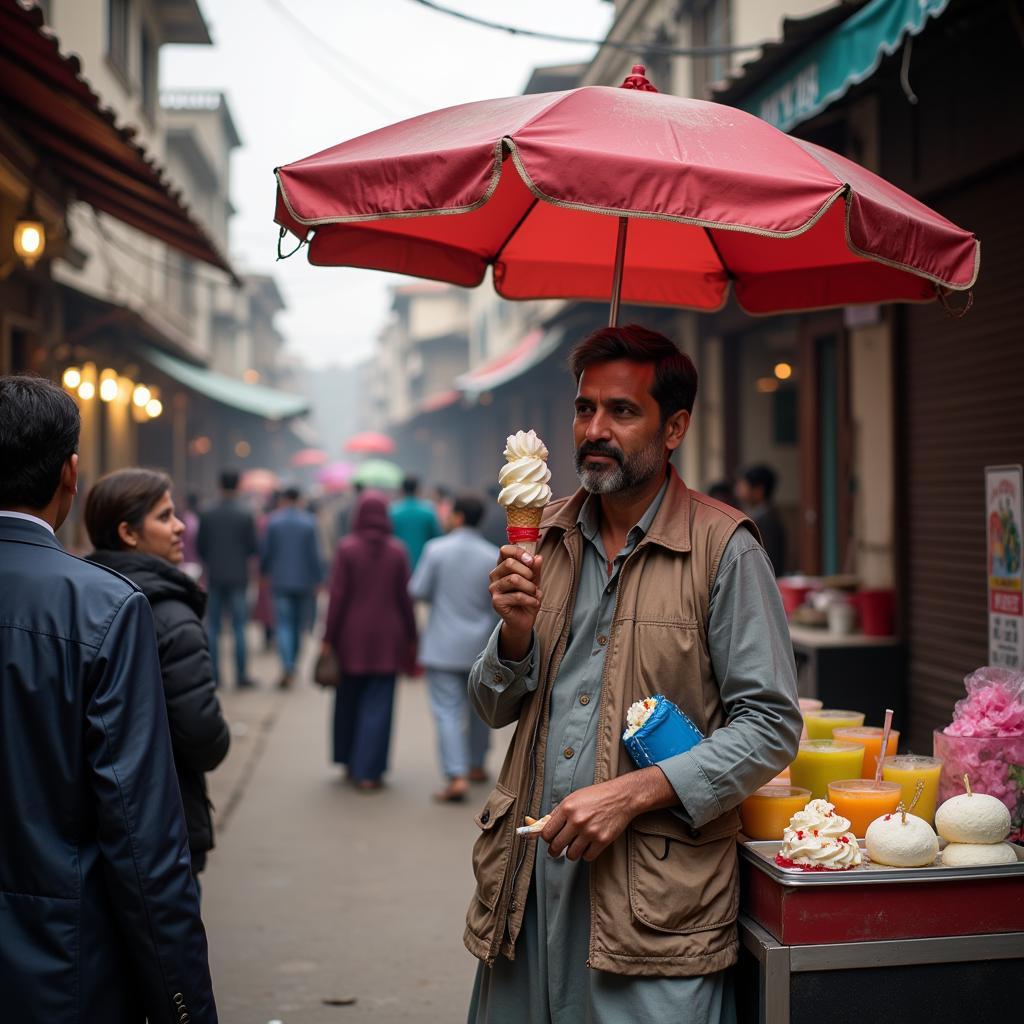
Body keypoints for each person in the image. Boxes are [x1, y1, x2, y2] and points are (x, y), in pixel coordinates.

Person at [464, 327, 802, 1023]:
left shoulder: (723, 550)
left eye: (622, 411)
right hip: (528, 893)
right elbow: (492, 706)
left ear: (673, 426)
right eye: (585, 409)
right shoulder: (545, 538)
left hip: (653, 909)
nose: (595, 429)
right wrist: (514, 633)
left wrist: (631, 793)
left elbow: (771, 727)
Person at [0, 376, 217, 1023]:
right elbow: (141, 831)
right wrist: (185, 1005)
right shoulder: (103, 607)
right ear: (71, 474)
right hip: (62, 963)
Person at [84, 469, 231, 891]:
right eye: (165, 517)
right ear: (129, 533)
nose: (181, 525)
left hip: (90, 812)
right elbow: (204, 736)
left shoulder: (86, 598)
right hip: (162, 814)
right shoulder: (170, 613)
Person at [322, 492, 417, 790]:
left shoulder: (347, 549)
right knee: (379, 706)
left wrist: (328, 637)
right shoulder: (397, 551)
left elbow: (337, 597)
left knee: (348, 701)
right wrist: (413, 635)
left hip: (350, 637)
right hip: (389, 638)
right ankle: (370, 772)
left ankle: (350, 761)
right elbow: (405, 598)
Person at [409, 494, 499, 802]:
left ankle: (456, 774)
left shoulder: (436, 550)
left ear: (458, 517)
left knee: (447, 711)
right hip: (480, 646)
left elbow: (417, 589)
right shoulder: (492, 555)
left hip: (442, 644)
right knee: (479, 709)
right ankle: (475, 764)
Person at [198, 468, 257, 687]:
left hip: (215, 575)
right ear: (238, 485)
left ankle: (215, 676)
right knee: (239, 627)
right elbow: (253, 547)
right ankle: (241, 675)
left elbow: (201, 546)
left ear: (219, 484)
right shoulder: (246, 513)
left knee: (213, 627)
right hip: (239, 576)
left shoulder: (207, 512)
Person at [261, 485, 324, 688]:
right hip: (304, 581)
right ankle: (293, 664)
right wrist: (319, 579)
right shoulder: (309, 522)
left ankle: (287, 665)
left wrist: (264, 572)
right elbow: (316, 555)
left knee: (284, 625)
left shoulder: (274, 521)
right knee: (299, 625)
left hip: (280, 580)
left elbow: (266, 552)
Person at [735, 464, 786, 576]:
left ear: (759, 490)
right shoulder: (759, 515)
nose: (737, 490)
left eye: (743, 485)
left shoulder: (766, 520)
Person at [389, 474, 441, 570]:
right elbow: (437, 539)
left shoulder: (392, 511)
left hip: (397, 566)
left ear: (402, 490)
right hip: (423, 565)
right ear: (418, 490)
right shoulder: (428, 511)